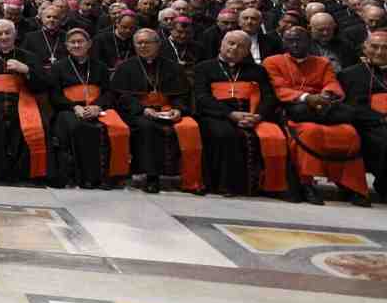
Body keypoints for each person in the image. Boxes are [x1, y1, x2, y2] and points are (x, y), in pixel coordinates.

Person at [266, 26, 369, 205]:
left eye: (300, 40)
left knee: (349, 134)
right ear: (284, 42)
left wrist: (326, 95)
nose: (295, 44)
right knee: (310, 133)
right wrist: (307, 97)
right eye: (290, 40)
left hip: (323, 108)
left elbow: (331, 83)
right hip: (295, 110)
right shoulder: (273, 61)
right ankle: (306, 184)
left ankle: (351, 185)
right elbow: (279, 88)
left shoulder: (322, 62)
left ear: (309, 42)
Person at [192, 30, 292, 199]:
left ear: (247, 51)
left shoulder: (257, 71)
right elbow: (202, 98)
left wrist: (258, 116)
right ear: (221, 44)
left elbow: (269, 97)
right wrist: (230, 114)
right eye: (231, 43)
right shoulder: (203, 68)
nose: (234, 48)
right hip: (217, 115)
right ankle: (225, 185)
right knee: (225, 134)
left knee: (276, 136)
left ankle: (270, 186)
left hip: (253, 116)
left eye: (241, 46)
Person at [109, 28, 198, 195]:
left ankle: (188, 177)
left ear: (158, 44)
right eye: (139, 43)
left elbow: (183, 95)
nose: (143, 46)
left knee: (189, 128)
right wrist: (143, 109)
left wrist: (178, 110)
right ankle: (152, 177)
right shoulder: (126, 67)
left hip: (168, 111)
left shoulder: (173, 67)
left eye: (147, 42)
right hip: (137, 113)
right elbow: (121, 96)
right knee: (147, 127)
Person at [0, 18, 53, 184]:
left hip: (22, 102)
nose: (4, 37)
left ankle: (23, 170)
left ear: (15, 35)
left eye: (8, 33)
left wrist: (26, 70)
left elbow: (44, 84)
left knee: (39, 125)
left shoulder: (28, 57)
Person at [47, 27, 131, 189]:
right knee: (80, 126)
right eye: (73, 42)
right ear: (67, 46)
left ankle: (110, 176)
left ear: (89, 44)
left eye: (80, 42)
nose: (77, 45)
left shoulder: (100, 67)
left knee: (117, 128)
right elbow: (55, 96)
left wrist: (97, 107)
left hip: (97, 108)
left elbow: (108, 92)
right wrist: (74, 107)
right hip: (67, 110)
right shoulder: (58, 67)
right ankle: (85, 177)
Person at [336, 30, 387, 205]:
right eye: (374, 47)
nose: (380, 52)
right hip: (366, 126)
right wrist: (380, 118)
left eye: (385, 48)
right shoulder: (349, 74)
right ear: (365, 48)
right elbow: (351, 107)